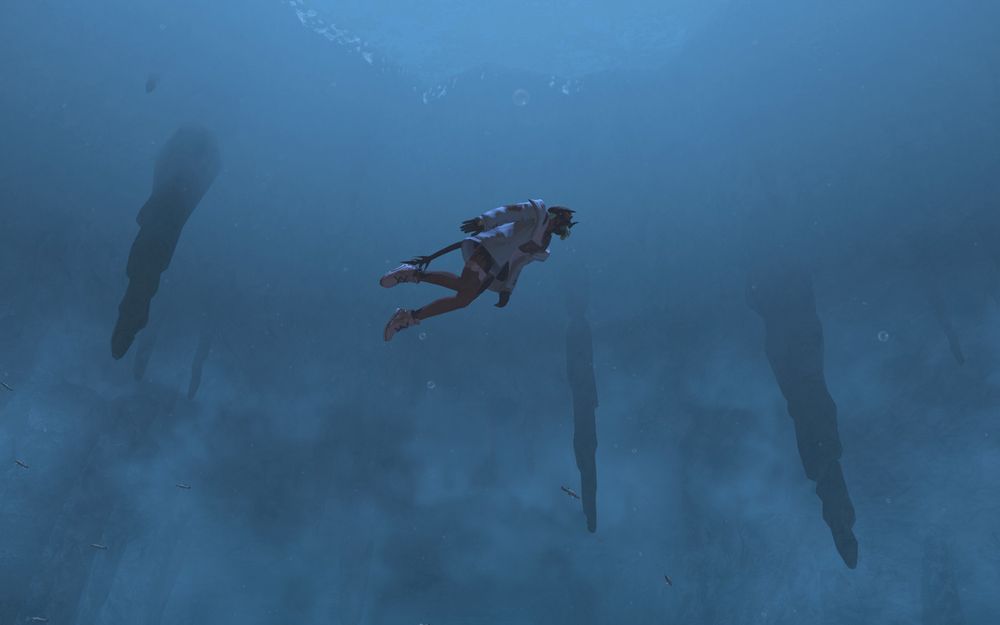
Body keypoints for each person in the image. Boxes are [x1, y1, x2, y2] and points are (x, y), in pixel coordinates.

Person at [379, 199, 577, 341]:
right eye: (564, 220)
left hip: (497, 266)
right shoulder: (538, 213)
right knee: (465, 285)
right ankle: (411, 273)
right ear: (556, 216)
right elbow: (509, 212)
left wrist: (507, 288)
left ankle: (409, 316)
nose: (565, 225)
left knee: (463, 299)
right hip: (490, 248)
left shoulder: (542, 246)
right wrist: (484, 220)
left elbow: (519, 263)